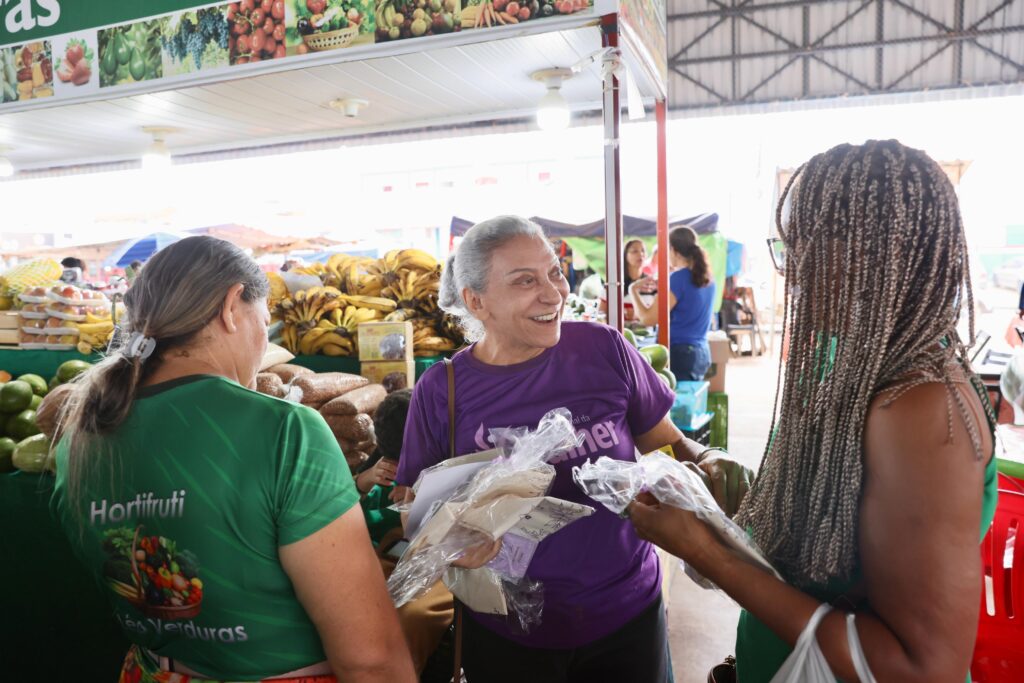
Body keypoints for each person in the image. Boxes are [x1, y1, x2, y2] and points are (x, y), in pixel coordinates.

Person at [627, 140, 998, 682]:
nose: (793, 271)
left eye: (807, 248)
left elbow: (921, 670)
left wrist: (709, 553)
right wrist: (754, 496)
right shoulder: (845, 353)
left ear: (876, 256)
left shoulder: (921, 406)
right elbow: (844, 522)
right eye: (789, 248)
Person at [396, 215, 751, 683]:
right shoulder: (443, 389)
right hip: (506, 629)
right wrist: (454, 543)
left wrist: (702, 458)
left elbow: (663, 439)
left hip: (627, 611)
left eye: (554, 272)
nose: (553, 293)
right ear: (475, 301)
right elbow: (412, 509)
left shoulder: (602, 348)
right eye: (525, 280)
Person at [50, 236, 416, 683]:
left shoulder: (81, 435)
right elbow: (370, 658)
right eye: (264, 321)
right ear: (230, 306)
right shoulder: (286, 429)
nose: (264, 341)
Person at [630, 227, 716, 380]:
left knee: (676, 403)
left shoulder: (677, 278)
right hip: (701, 352)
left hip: (681, 355)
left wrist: (633, 290)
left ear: (673, 250)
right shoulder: (708, 278)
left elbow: (648, 319)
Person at [599, 239, 651, 323]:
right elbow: (601, 313)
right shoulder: (614, 283)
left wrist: (636, 316)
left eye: (643, 251)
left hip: (646, 334)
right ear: (625, 255)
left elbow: (654, 316)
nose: (640, 254)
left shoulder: (651, 284)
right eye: (634, 251)